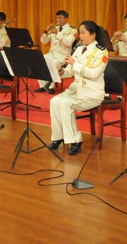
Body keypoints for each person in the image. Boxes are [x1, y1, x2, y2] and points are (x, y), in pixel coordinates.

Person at [48, 21, 109, 155]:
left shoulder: (101, 52)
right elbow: (71, 71)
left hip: (92, 92)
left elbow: (93, 73)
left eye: (83, 33)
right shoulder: (79, 48)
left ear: (93, 35)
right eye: (79, 33)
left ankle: (75, 140)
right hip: (76, 89)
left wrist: (74, 63)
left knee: (65, 104)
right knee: (54, 101)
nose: (80, 36)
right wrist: (62, 71)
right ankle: (58, 137)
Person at [36, 10, 77, 93]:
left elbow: (68, 43)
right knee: (38, 62)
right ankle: (43, 85)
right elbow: (44, 41)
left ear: (66, 18)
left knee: (53, 64)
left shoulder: (72, 30)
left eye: (60, 18)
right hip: (51, 54)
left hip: (63, 56)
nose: (58, 20)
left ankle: (50, 87)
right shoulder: (55, 28)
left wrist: (57, 33)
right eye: (57, 18)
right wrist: (46, 32)